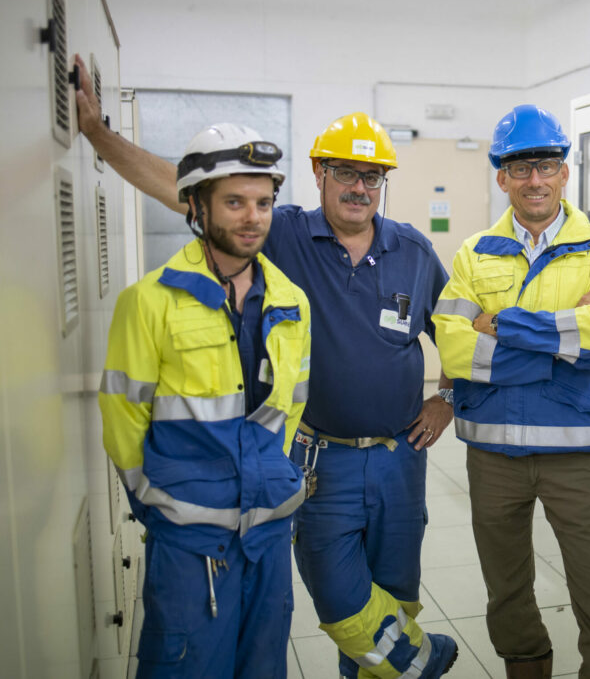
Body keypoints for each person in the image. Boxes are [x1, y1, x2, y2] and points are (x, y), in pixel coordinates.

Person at [75, 54, 459, 678]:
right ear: (318, 172)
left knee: (397, 592)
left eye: (373, 176)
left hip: (399, 460)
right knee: (339, 596)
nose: (360, 187)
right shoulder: (278, 231)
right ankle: (418, 662)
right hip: (317, 461)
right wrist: (98, 135)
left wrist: (451, 396)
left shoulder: (412, 249)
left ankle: (390, 665)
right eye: (345, 173)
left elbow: (459, 330)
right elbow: (180, 183)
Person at [432, 104, 590, 678]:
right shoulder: (473, 253)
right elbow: (452, 349)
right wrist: (558, 341)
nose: (535, 180)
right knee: (507, 596)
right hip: (492, 455)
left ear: (564, 172)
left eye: (546, 165)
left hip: (576, 453)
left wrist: (500, 325)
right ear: (502, 177)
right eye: (520, 168)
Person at [98, 122, 312, 677]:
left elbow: (291, 407)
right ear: (196, 207)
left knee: (262, 666)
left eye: (264, 202)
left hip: (268, 531)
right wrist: (155, 498)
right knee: (186, 667)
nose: (253, 217)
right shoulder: (148, 302)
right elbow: (123, 415)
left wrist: (274, 476)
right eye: (235, 202)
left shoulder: (291, 301)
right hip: (189, 540)